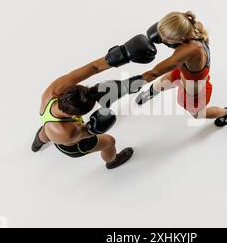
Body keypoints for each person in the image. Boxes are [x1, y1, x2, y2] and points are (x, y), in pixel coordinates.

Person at [31, 34, 156, 169]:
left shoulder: (53, 91)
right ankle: (112, 161)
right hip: (73, 146)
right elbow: (89, 131)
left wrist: (122, 53)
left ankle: (38, 142)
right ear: (75, 115)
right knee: (109, 141)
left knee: (45, 131)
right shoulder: (68, 131)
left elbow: (94, 67)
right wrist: (94, 127)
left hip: (48, 122)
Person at [134, 11, 227, 126]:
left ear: (180, 38)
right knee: (159, 85)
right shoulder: (193, 26)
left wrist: (128, 85)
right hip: (183, 72)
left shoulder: (190, 51)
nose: (162, 41)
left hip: (194, 91)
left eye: (166, 40)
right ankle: (150, 93)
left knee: (198, 115)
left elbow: (154, 73)